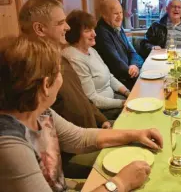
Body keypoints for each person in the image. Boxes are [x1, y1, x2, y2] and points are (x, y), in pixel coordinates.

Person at [0, 35, 163, 192]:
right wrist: (120, 183)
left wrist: (136, 135)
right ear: (45, 85)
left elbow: (80, 138)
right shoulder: (11, 146)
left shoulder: (40, 112)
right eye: (59, 72)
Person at [18, 0, 110, 179]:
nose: (67, 27)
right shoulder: (30, 70)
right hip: (67, 157)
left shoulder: (61, 58)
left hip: (88, 134)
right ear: (39, 29)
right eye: (61, 23)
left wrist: (102, 120)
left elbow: (84, 97)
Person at [64, 10, 130, 120]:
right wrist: (122, 103)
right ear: (75, 33)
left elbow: (109, 76)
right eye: (88, 30)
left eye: (93, 29)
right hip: (100, 110)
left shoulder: (91, 50)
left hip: (113, 98)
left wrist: (127, 93)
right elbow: (92, 99)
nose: (94, 34)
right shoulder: (74, 57)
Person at [94, 0, 144, 90]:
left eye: (121, 12)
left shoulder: (117, 27)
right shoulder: (101, 33)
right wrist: (132, 71)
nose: (120, 17)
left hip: (129, 74)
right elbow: (115, 63)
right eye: (116, 14)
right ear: (105, 16)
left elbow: (132, 52)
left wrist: (134, 65)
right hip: (119, 82)